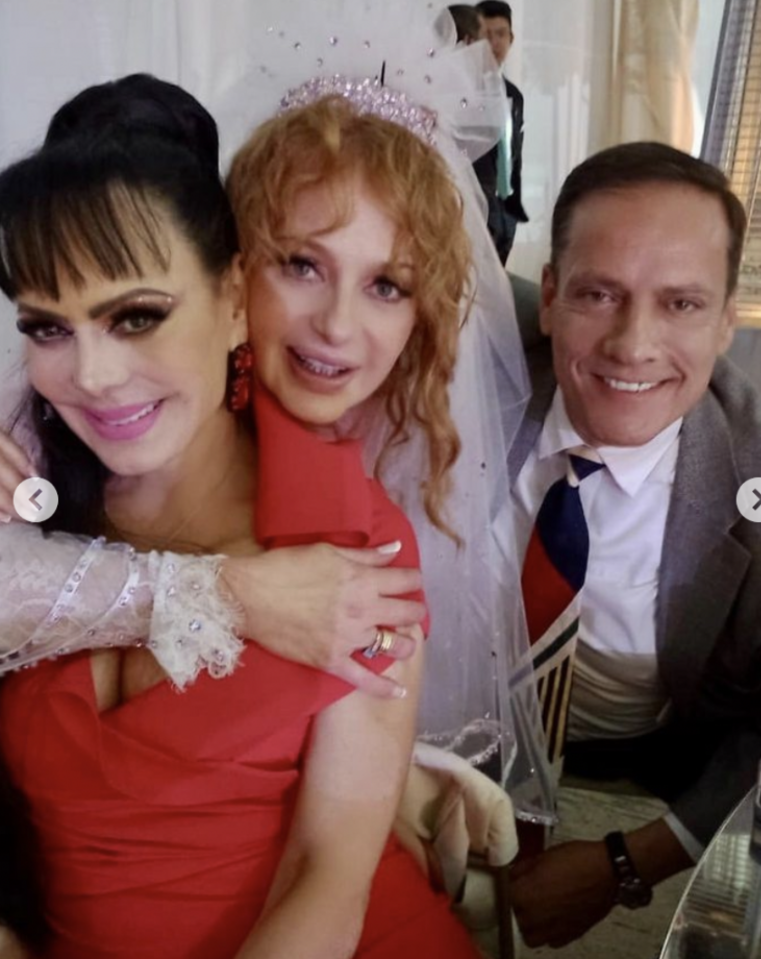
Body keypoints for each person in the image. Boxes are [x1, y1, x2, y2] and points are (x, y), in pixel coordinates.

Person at [0, 73, 485, 958]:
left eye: (138, 317)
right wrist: (227, 594)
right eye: (47, 328)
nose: (95, 375)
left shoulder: (359, 543)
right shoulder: (28, 481)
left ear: (229, 300)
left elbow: (325, 875)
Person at [505, 141, 761, 947]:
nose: (632, 344)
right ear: (550, 296)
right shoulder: (463, 363)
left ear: (727, 320)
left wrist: (628, 862)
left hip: (655, 768)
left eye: (681, 304)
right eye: (599, 293)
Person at [473, 1, 528, 265]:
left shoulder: (514, 95)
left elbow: (514, 155)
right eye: (487, 35)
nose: (494, 43)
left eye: (501, 34)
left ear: (511, 38)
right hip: (475, 210)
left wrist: (513, 208)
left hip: (505, 210)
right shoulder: (463, 91)